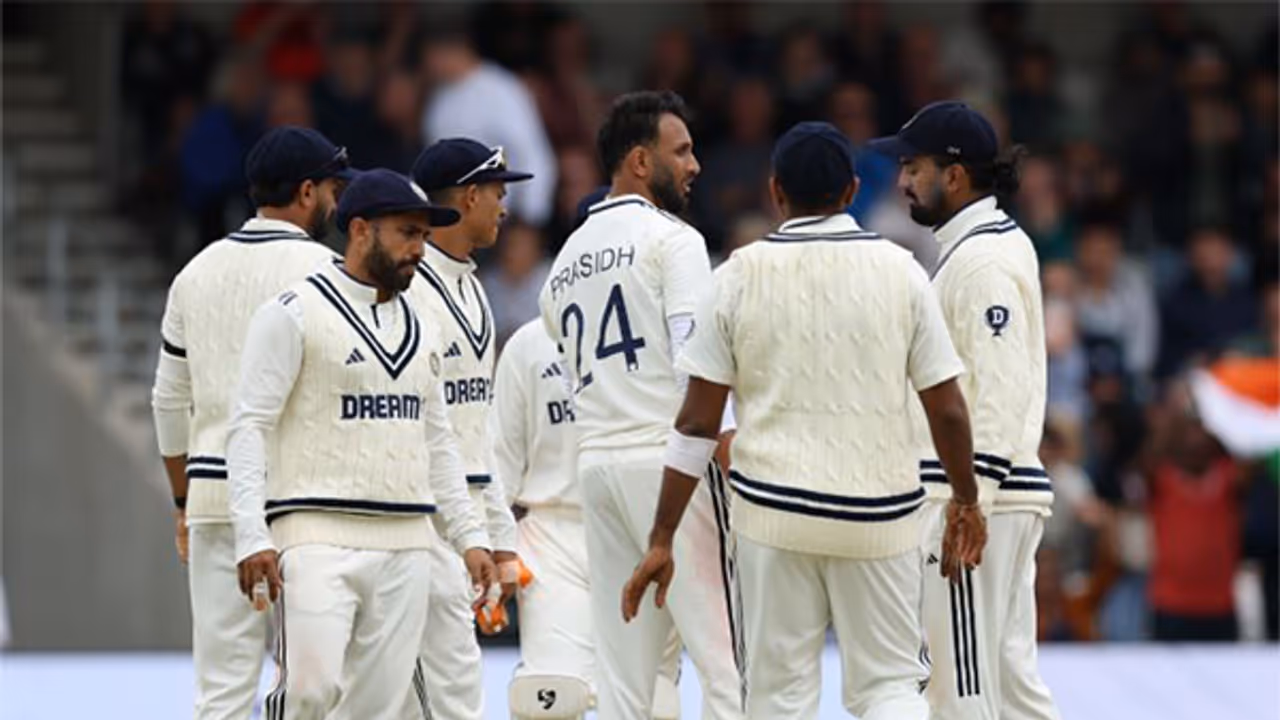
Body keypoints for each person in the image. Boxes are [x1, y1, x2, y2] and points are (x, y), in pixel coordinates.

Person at [624, 121, 985, 720]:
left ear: (775, 191)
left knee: (777, 701)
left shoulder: (737, 274)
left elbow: (696, 424)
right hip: (881, 515)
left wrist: (662, 536)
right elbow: (946, 405)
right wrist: (966, 500)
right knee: (891, 689)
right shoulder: (901, 271)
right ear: (850, 191)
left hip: (773, 518)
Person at [227, 169, 497, 719]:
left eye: (424, 235)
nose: (419, 250)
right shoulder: (293, 311)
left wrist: (470, 537)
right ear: (359, 230)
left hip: (408, 542)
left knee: (377, 709)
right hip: (314, 535)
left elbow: (437, 440)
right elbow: (248, 426)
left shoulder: (423, 323)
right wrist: (251, 534)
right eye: (407, 233)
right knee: (308, 692)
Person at [538, 91, 743, 720]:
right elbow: (697, 365)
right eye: (680, 151)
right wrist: (733, 455)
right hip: (671, 464)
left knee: (625, 675)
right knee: (729, 662)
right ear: (637, 160)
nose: (694, 164)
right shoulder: (674, 241)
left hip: (597, 469)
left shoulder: (563, 262)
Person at [151, 126, 352, 720]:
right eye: (334, 189)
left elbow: (167, 401)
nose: (338, 204)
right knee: (316, 685)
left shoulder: (195, 272)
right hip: (300, 501)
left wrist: (182, 501)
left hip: (214, 497)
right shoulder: (328, 271)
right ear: (307, 190)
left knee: (221, 691)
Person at [869, 100, 1061, 719]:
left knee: (963, 685)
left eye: (912, 166)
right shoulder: (984, 246)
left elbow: (998, 390)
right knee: (1007, 682)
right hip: (996, 497)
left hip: (979, 502)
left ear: (954, 175)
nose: (901, 181)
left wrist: (968, 500)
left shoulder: (981, 260)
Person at [493, 318, 683, 720]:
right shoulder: (529, 343)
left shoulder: (665, 333)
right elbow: (500, 462)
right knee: (549, 698)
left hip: (645, 530)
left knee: (650, 701)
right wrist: (496, 544)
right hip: (553, 533)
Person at [400, 138, 529, 720]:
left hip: (465, 520)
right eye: (499, 193)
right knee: (451, 695)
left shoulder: (473, 286)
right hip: (423, 520)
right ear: (470, 195)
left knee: (423, 698)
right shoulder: (410, 289)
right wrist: (466, 532)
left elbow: (477, 427)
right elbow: (426, 432)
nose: (505, 207)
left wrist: (498, 534)